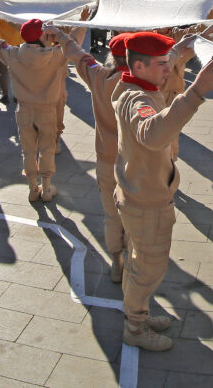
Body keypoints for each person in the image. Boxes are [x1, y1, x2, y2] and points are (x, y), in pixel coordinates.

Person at [112, 32, 213, 352]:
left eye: (167, 63)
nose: (168, 70)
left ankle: (139, 314)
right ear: (141, 66)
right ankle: (134, 326)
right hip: (146, 203)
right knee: (148, 268)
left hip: (141, 194)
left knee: (140, 264)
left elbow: (166, 58)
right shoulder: (137, 100)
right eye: (161, 65)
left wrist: (183, 45)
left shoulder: (137, 81)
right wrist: (196, 91)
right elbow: (152, 133)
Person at [0, 7, 75, 201]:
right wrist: (81, 23)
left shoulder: (13, 53)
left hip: (24, 109)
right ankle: (46, 188)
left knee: (28, 149)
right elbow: (75, 45)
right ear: (41, 36)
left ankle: (33, 188)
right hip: (47, 110)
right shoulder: (56, 55)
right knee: (47, 148)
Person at [59, 31, 129, 281]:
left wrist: (60, 35)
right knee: (133, 217)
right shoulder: (143, 83)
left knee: (112, 215)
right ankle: (132, 261)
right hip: (135, 165)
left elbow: (80, 56)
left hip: (106, 160)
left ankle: (116, 262)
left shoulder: (99, 76)